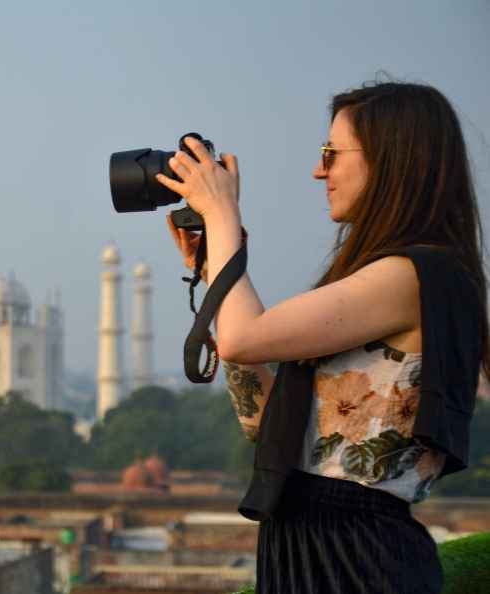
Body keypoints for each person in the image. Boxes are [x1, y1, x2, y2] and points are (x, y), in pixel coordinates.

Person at [157, 81, 487, 593]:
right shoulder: (393, 275)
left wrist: (223, 215)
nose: (320, 171)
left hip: (355, 553)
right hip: (314, 543)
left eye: (331, 154)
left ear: (390, 160)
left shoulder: (413, 274)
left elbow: (244, 337)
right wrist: (214, 269)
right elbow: (266, 421)